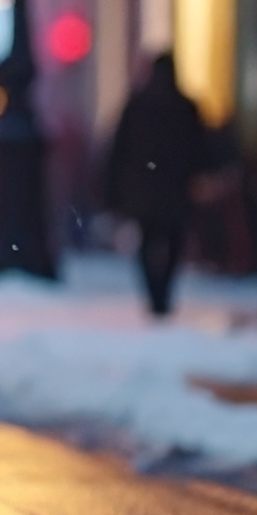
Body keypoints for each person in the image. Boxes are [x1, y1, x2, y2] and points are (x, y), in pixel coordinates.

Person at [106, 52, 214, 317]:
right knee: (172, 241)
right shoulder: (184, 107)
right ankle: (162, 294)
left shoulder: (138, 105)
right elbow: (200, 148)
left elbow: (119, 149)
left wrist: (115, 186)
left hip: (145, 188)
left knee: (148, 240)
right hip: (174, 188)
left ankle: (155, 294)